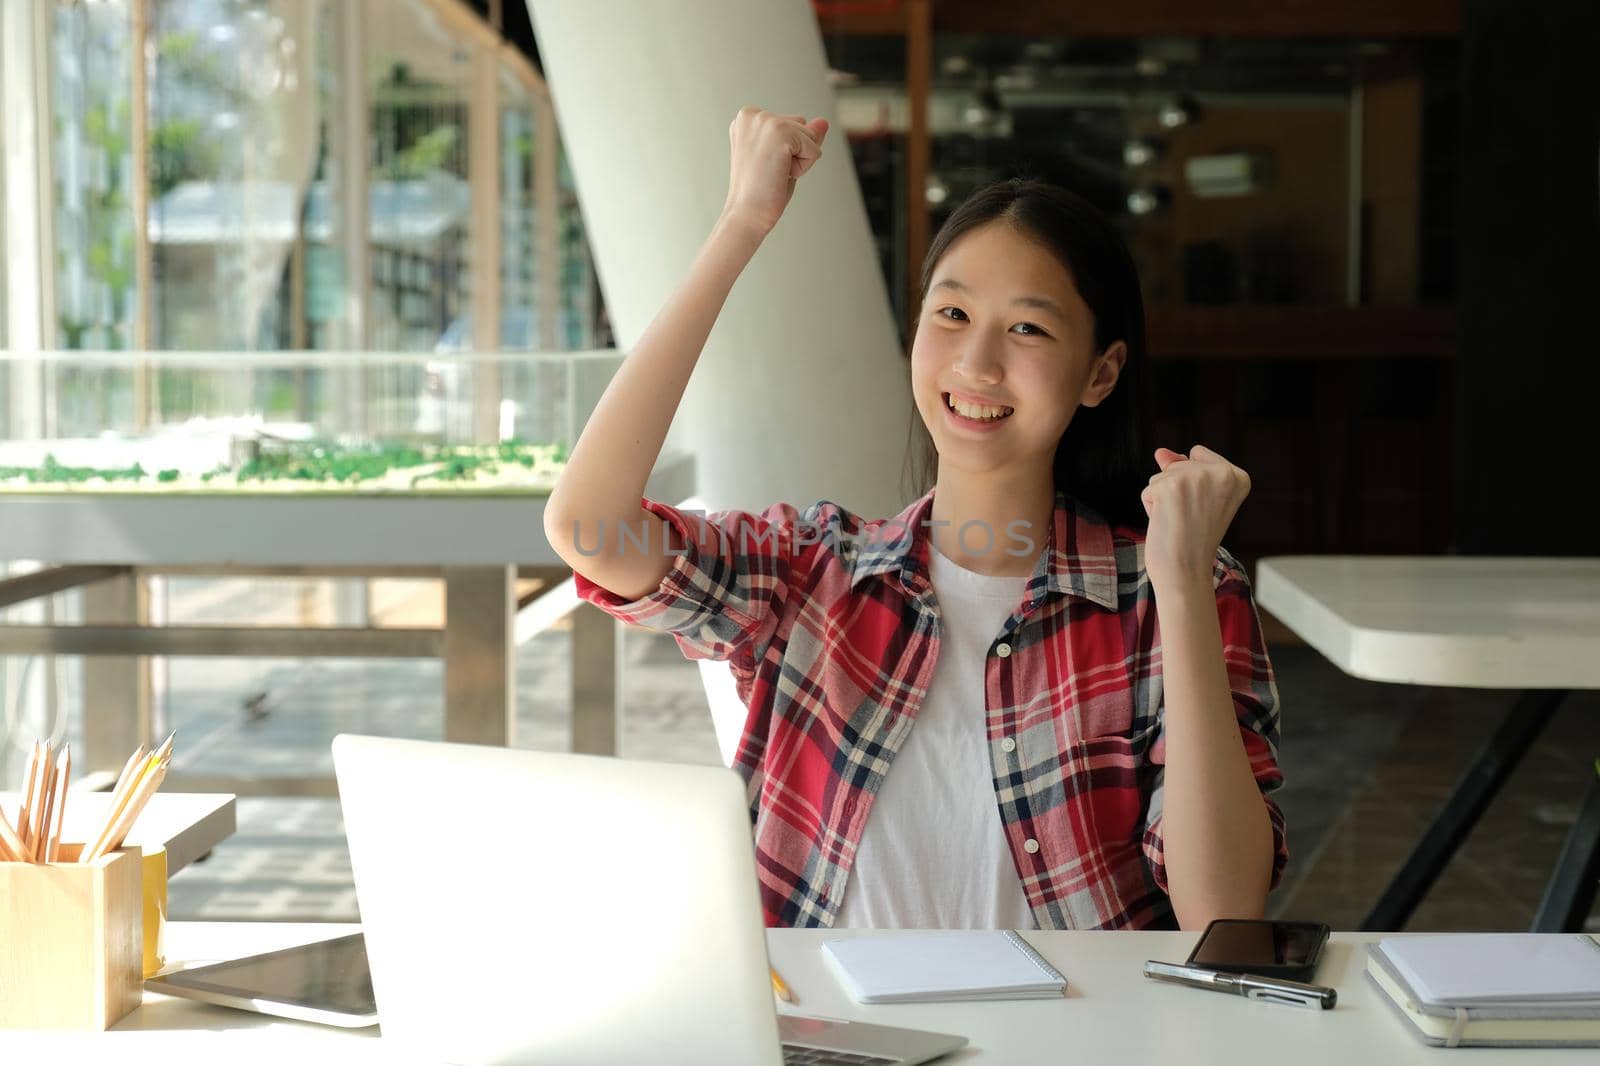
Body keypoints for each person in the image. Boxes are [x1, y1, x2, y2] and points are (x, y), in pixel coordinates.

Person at [544, 105, 1285, 931]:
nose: (977, 362)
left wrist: (1180, 583)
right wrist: (742, 224)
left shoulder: (1174, 592)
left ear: (1101, 373)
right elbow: (588, 527)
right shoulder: (813, 571)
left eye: (1029, 328)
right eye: (953, 315)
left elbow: (1223, 913)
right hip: (831, 1049)